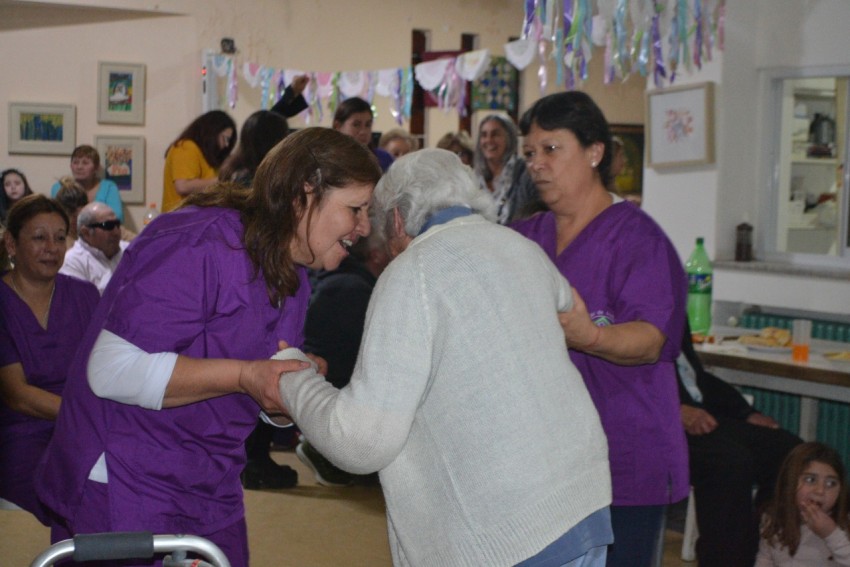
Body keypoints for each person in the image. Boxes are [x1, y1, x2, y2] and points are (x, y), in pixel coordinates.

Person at [36, 127, 382, 567]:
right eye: (356, 208)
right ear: (304, 194)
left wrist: (277, 393)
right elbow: (109, 370)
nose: (365, 227)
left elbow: (246, 375)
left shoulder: (290, 277)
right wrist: (246, 375)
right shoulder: (201, 241)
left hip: (207, 478)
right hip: (125, 471)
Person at [276, 148, 613, 566]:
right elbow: (569, 307)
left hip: (510, 529)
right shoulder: (521, 248)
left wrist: (293, 377)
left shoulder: (412, 273)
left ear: (397, 219)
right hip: (582, 499)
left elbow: (361, 441)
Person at [512, 91, 688, 567]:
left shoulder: (638, 239)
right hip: (547, 458)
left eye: (552, 149)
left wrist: (590, 336)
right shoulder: (524, 238)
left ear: (595, 152)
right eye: (530, 152)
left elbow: (650, 340)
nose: (537, 164)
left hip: (625, 455)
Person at [0, 195, 100, 524]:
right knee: (73, 501)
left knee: (139, 482)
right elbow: (16, 394)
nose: (52, 247)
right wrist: (87, 415)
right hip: (21, 435)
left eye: (60, 237)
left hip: (85, 427)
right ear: (11, 244)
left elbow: (105, 369)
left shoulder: (84, 295)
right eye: (39, 237)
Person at [678, 319, 802, 567]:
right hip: (657, 424)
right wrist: (676, 411)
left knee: (791, 452)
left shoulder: (674, 306)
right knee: (730, 462)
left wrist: (746, 413)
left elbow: (697, 378)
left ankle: (767, 550)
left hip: (703, 416)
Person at [218, 109, 298, 490]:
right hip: (266, 271)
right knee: (269, 356)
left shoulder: (233, 174)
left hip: (240, 275)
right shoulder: (273, 181)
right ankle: (256, 457)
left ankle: (247, 455)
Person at [296, 233, 390, 487]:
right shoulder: (354, 289)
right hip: (332, 390)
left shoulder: (344, 281)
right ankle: (322, 451)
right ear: (377, 255)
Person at [756, 442, 850, 566]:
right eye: (810, 480)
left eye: (831, 483)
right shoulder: (773, 518)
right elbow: (765, 559)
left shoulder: (845, 522)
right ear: (790, 482)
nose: (820, 490)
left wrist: (831, 534)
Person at [161, 110, 237, 212]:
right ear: (213, 132)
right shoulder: (186, 147)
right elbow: (182, 186)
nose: (226, 145)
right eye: (225, 138)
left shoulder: (206, 155)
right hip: (180, 221)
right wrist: (220, 181)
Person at [474, 114, 538, 224]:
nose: (489, 140)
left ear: (509, 138)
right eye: (484, 135)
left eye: (495, 134)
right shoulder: (473, 178)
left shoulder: (526, 174)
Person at [59, 202, 128, 294]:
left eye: (117, 224)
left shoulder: (128, 250)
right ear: (86, 233)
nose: (116, 232)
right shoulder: (72, 262)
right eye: (108, 226)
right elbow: (83, 304)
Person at [49, 145, 124, 224]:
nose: (79, 167)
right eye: (75, 162)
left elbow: (117, 216)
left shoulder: (108, 187)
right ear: (71, 166)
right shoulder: (59, 187)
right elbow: (55, 216)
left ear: (96, 168)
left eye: (85, 163)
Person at [333, 96, 393, 171]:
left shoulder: (383, 158)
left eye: (368, 125)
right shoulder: (327, 159)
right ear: (337, 126)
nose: (363, 132)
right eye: (356, 125)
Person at [53, 176, 90, 248]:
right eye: (73, 215)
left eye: (81, 215)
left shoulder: (94, 240)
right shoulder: (56, 244)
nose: (77, 220)